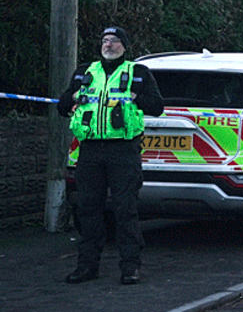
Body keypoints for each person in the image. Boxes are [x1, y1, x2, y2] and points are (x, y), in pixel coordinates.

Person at [56, 27, 163, 285]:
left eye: (115, 41)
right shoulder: (85, 72)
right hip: (90, 150)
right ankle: (87, 267)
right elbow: (62, 107)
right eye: (105, 40)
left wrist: (138, 98)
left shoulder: (138, 73)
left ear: (124, 46)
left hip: (123, 150)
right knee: (88, 210)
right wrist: (72, 96)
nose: (109, 45)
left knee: (125, 209)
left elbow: (157, 108)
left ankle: (130, 267)